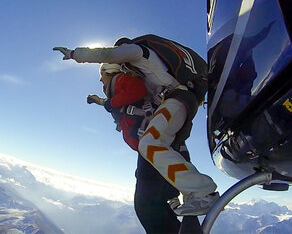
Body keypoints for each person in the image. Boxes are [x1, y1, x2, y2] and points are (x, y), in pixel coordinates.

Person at [54, 34, 219, 216]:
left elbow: (107, 55)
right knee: (170, 148)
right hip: (177, 99)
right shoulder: (144, 68)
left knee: (150, 144)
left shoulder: (137, 51)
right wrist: (100, 101)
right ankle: (191, 195)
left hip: (176, 98)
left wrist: (74, 54)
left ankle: (203, 192)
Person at [88, 63, 191, 233]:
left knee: (145, 204)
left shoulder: (121, 79)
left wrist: (110, 103)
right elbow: (124, 102)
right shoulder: (117, 85)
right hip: (150, 145)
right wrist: (99, 101)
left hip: (151, 145)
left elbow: (136, 90)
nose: (100, 79)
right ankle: (171, 203)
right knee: (150, 199)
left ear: (110, 72)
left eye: (102, 74)